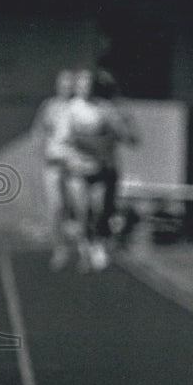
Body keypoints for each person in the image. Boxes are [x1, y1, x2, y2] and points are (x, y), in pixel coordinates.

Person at [57, 67, 138, 272]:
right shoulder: (70, 109)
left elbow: (126, 136)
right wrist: (78, 148)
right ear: (77, 87)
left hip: (101, 168)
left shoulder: (105, 109)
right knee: (83, 211)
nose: (86, 88)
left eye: (90, 84)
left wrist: (121, 131)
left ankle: (98, 243)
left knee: (100, 208)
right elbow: (62, 140)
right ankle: (85, 248)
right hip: (77, 168)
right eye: (82, 84)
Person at [32, 69, 76, 271]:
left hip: (76, 165)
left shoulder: (78, 107)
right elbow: (38, 132)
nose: (66, 87)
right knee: (56, 207)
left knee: (79, 208)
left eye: (70, 84)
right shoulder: (49, 106)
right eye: (63, 83)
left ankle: (84, 248)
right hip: (54, 164)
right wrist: (43, 152)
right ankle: (60, 248)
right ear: (58, 85)